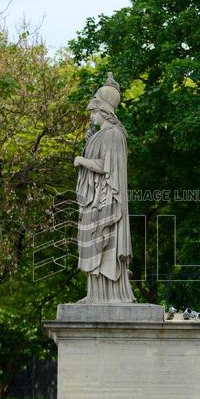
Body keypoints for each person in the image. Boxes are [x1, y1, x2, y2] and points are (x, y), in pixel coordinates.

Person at [74, 73, 135, 303]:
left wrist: (81, 161)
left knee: (104, 242)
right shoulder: (101, 135)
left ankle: (109, 295)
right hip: (94, 198)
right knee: (92, 244)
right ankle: (95, 294)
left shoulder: (114, 135)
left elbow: (107, 167)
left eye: (93, 112)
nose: (91, 116)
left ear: (104, 111)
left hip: (106, 199)